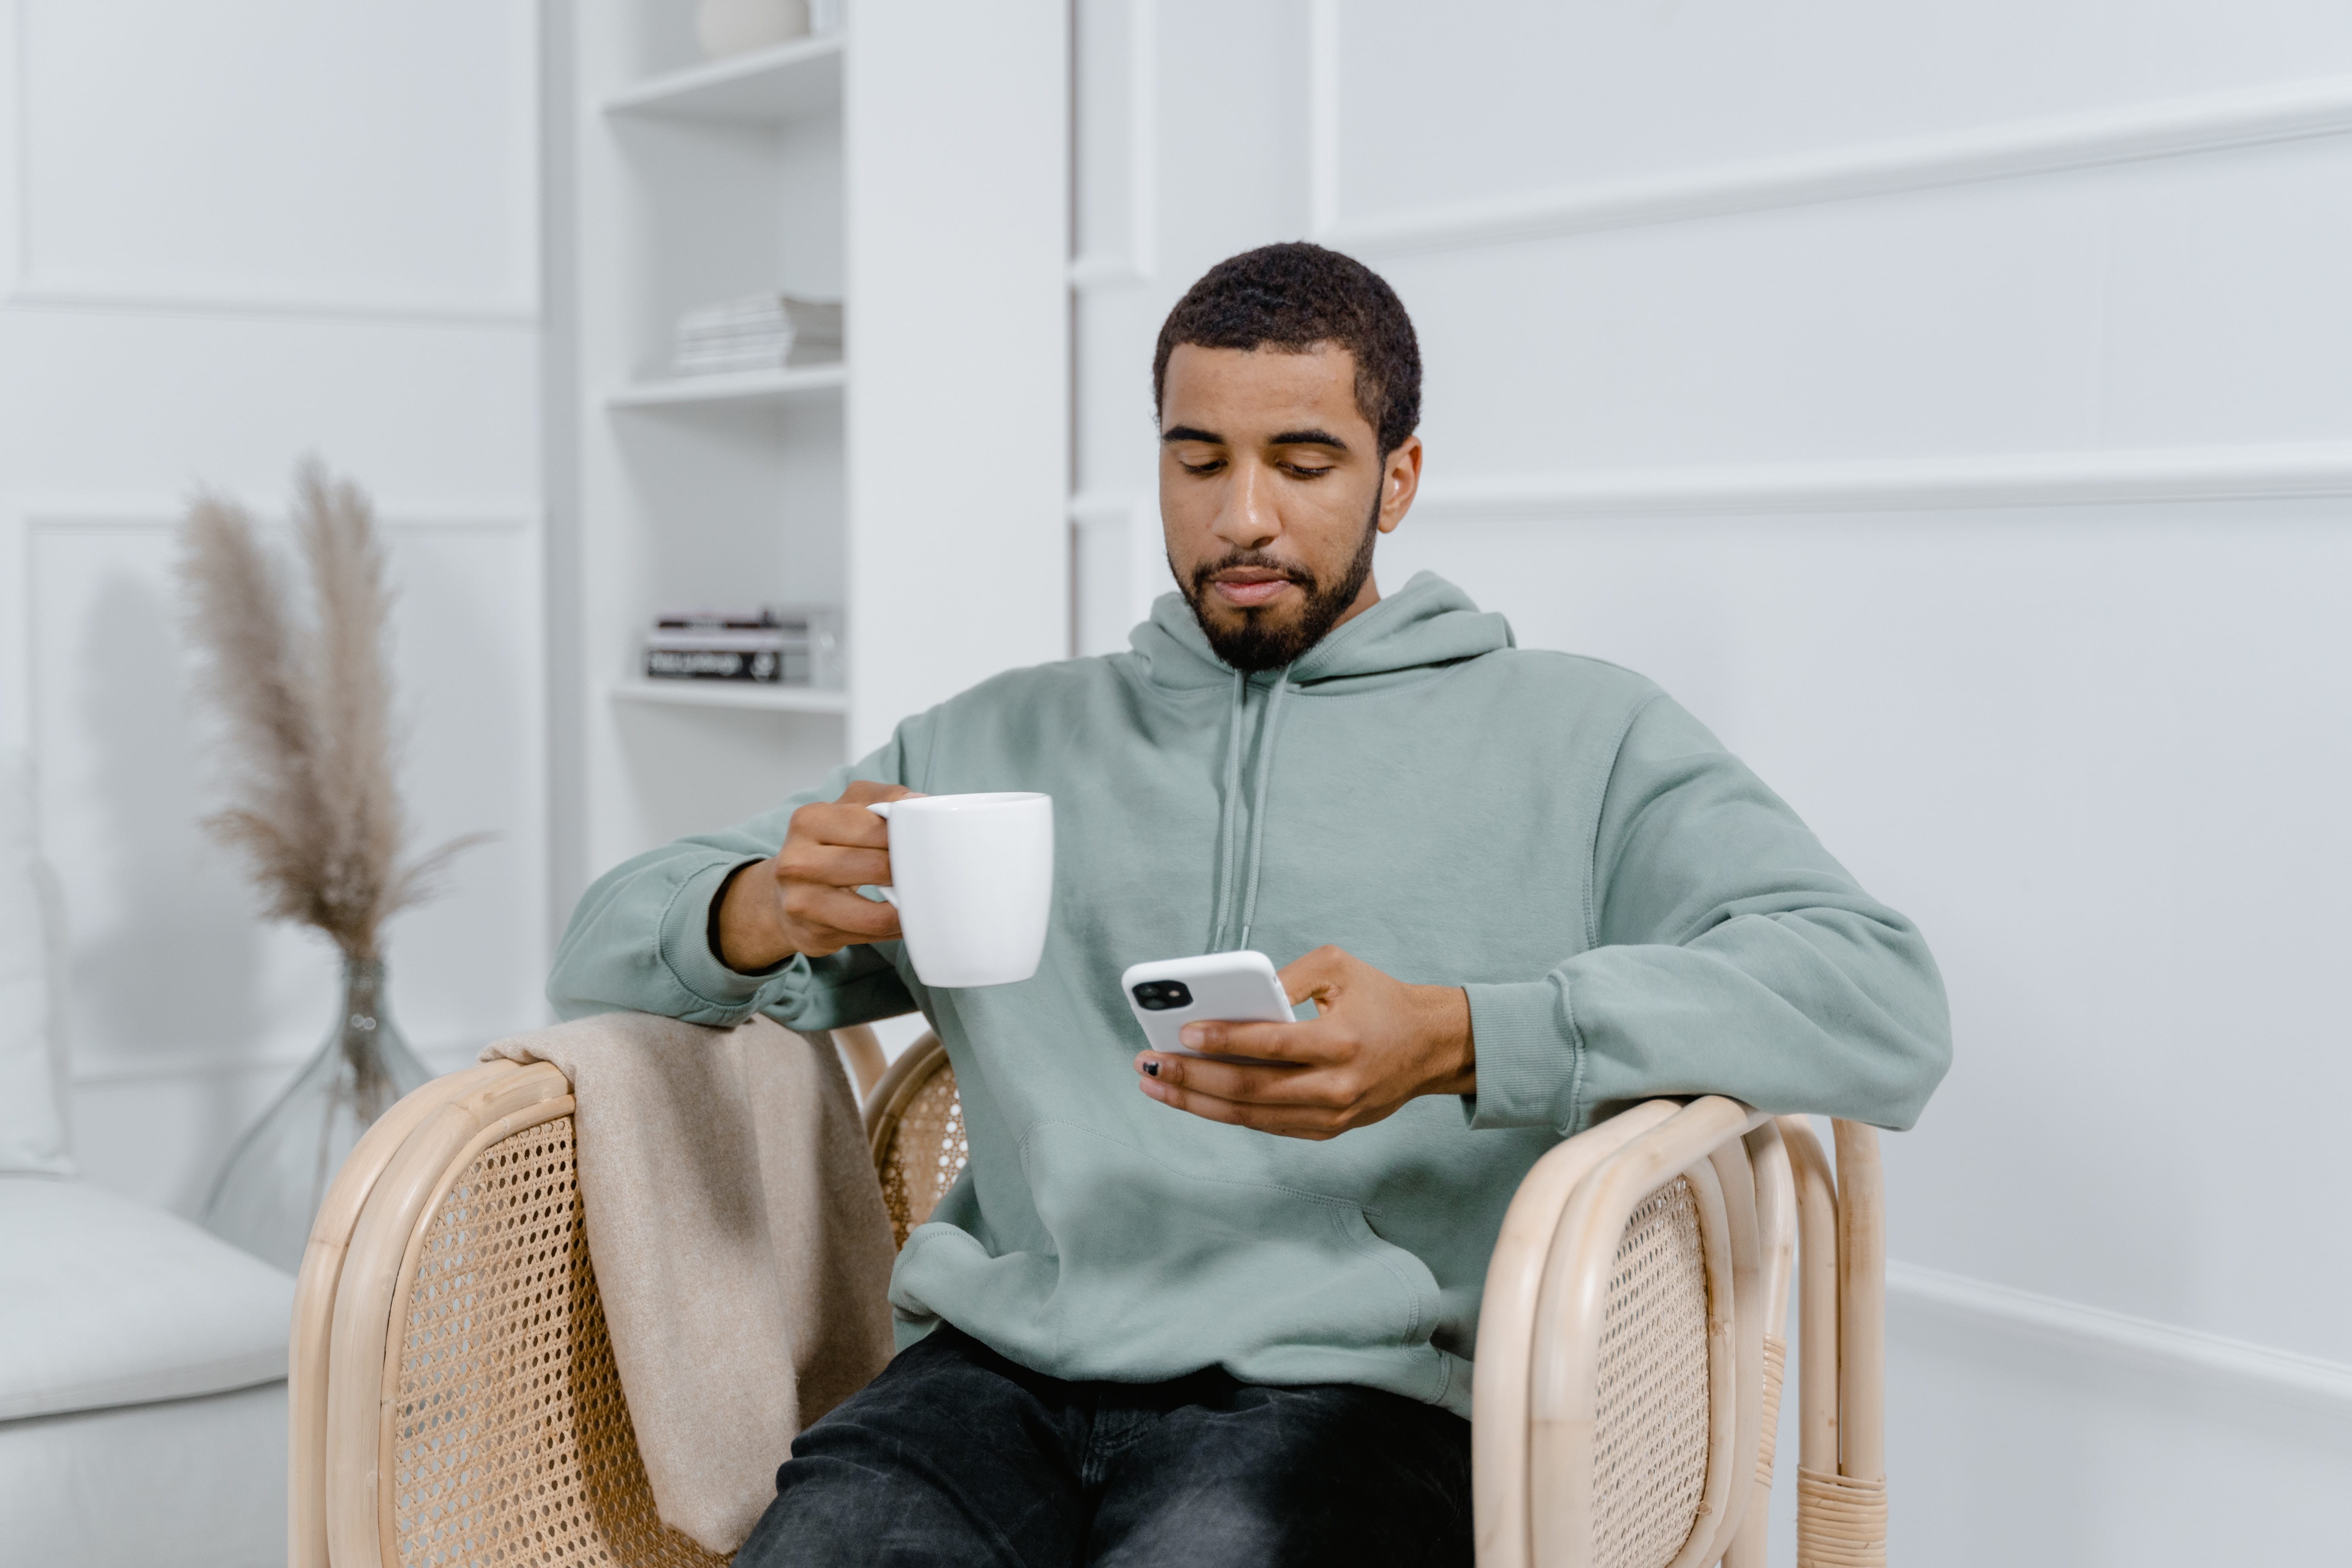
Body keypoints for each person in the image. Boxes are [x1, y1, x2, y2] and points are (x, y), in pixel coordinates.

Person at [549, 241, 1951, 1567]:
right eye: (1198, 458)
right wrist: (761, 909)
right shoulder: (992, 740)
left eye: (1303, 461)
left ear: (1398, 478)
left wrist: (1463, 1036)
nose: (1243, 518)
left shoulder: (1582, 738)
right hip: (986, 1378)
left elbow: (1879, 997)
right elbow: (603, 938)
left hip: (1360, 1397)